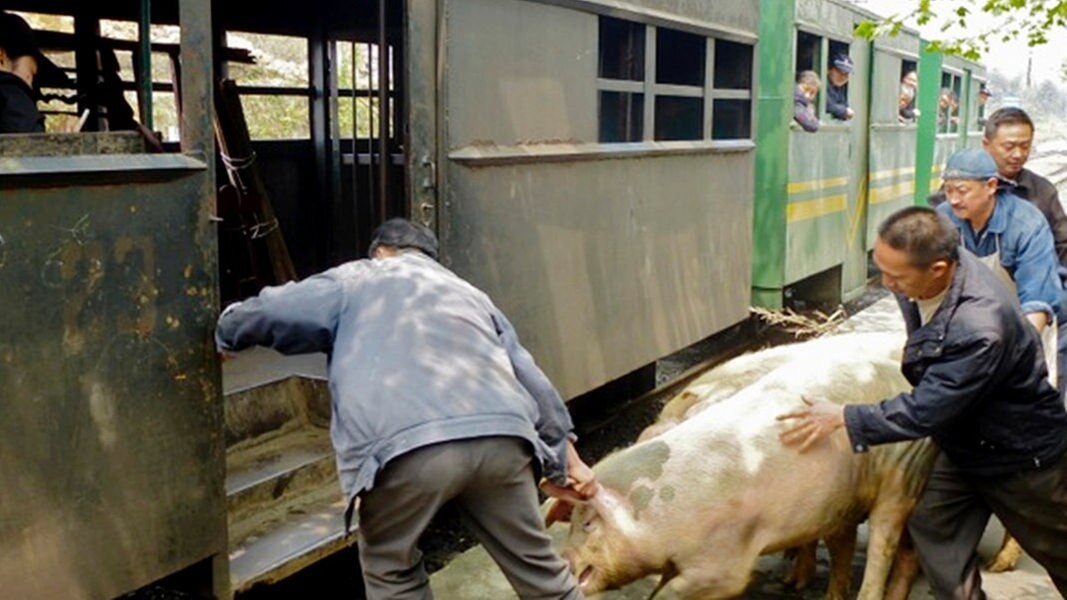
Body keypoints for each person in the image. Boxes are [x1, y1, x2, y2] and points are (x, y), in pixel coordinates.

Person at [216, 218, 594, 600]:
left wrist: (227, 329)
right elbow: (530, 378)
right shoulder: (470, 293)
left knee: (391, 571)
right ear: (430, 258)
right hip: (505, 440)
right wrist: (565, 462)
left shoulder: (359, 278)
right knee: (544, 578)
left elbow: (278, 310)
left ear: (380, 252)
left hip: (407, 448)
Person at [778, 205, 1067, 599]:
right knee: (932, 523)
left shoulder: (979, 328)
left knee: (1059, 549)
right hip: (965, 441)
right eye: (879, 267)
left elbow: (926, 410)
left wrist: (844, 415)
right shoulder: (934, 260)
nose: (885, 283)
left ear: (939, 268)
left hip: (1021, 457)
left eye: (895, 276)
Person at [0, 11, 67, 134]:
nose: (31, 86)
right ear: (1, 56)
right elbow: (32, 149)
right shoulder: (10, 94)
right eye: (30, 74)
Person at [826, 54, 854, 121]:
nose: (843, 77)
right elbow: (826, 104)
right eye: (839, 72)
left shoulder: (840, 87)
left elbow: (844, 104)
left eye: (846, 74)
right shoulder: (822, 83)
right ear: (828, 70)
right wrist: (844, 111)